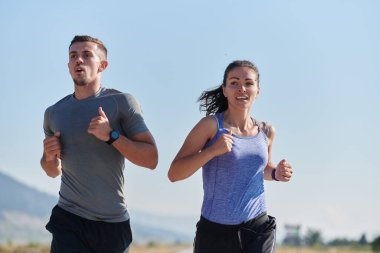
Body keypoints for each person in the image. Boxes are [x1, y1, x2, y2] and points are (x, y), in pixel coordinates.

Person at [41, 35, 158, 253]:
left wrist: (112, 135)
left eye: (87, 55)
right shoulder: (54, 113)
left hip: (112, 224)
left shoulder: (121, 102)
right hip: (69, 218)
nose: (79, 60)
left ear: (102, 65)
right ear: (68, 65)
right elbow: (52, 171)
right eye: (73, 56)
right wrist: (48, 157)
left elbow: (151, 159)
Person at [168, 60, 293, 253]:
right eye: (234, 82)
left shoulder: (266, 131)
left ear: (257, 90)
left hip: (258, 227)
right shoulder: (210, 126)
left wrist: (276, 172)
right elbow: (174, 173)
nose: (241, 88)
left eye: (248, 83)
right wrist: (210, 152)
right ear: (224, 90)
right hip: (215, 232)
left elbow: (262, 170)